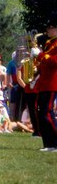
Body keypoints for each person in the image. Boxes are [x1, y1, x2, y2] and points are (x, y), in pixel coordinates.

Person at [35, 12, 57, 152]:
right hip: (44, 82)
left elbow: (55, 62)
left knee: (47, 113)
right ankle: (48, 143)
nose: (47, 30)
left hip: (52, 82)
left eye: (50, 27)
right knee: (41, 113)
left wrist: (40, 55)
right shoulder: (49, 43)